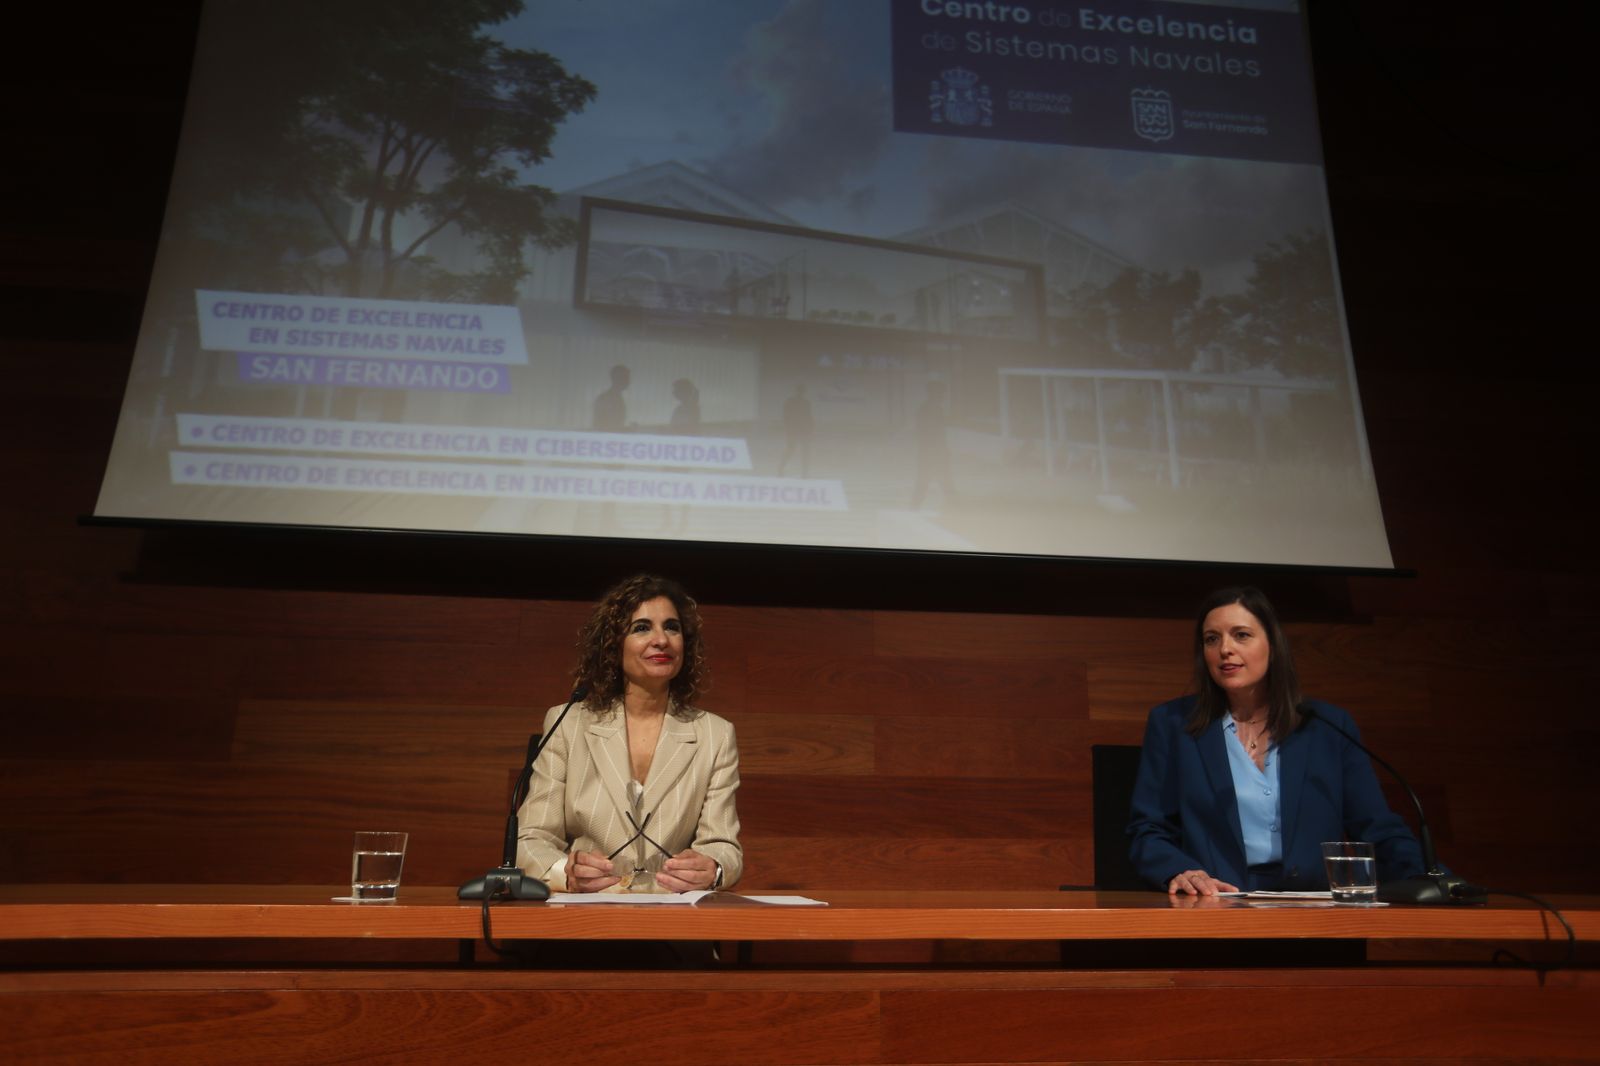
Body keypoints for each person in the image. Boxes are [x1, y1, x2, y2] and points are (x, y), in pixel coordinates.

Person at [1127, 586, 1425, 895]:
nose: (1225, 649)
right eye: (1211, 639)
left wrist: (1429, 877)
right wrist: (1178, 870)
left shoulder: (1326, 726)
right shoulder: (1174, 725)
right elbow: (1148, 830)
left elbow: (1376, 826)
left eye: (1241, 635)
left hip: (1314, 911)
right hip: (1217, 906)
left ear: (1273, 644)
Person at [516, 574, 741, 894]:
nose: (661, 639)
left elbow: (724, 847)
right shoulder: (568, 723)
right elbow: (530, 839)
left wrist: (713, 869)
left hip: (675, 923)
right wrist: (564, 872)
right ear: (613, 645)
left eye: (672, 627)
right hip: (582, 919)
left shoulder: (715, 734)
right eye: (642, 627)